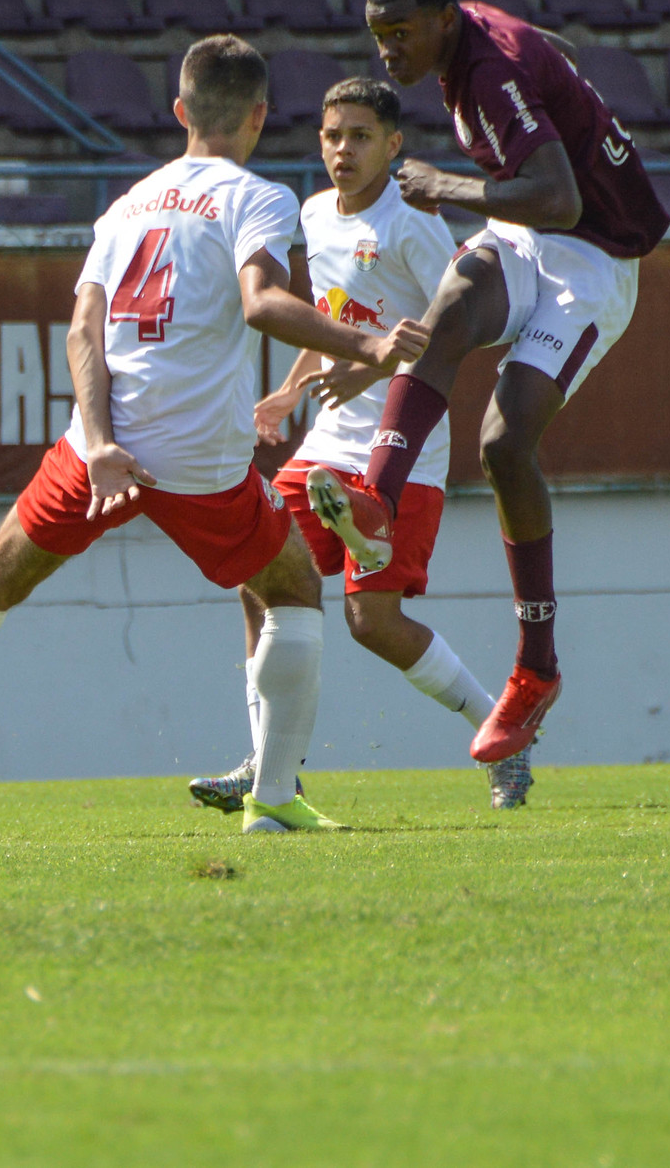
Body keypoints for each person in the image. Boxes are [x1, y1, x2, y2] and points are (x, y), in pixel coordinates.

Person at [0, 36, 430, 834]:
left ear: (180, 112)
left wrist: (98, 444)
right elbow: (263, 303)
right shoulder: (257, 196)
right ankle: (271, 801)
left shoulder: (126, 205)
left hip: (101, 449)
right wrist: (372, 347)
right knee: (295, 592)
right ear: (261, 117)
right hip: (199, 460)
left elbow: (82, 334)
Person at [303, 0, 670, 768]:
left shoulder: (489, 66)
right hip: (530, 236)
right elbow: (546, 66)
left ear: (441, 20)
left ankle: (535, 670)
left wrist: (448, 185)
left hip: (593, 258)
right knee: (446, 314)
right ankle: (376, 503)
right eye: (377, 37)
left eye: (400, 34)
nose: (388, 52)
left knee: (504, 445)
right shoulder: (474, 39)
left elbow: (562, 199)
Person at [187, 78, 534, 815]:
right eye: (332, 134)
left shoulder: (412, 226)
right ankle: (270, 766)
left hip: (398, 449)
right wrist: (292, 387)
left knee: (369, 623)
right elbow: (329, 316)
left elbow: (445, 337)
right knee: (259, 578)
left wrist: (365, 366)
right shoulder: (314, 213)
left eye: (361, 136)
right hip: (326, 442)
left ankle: (505, 731)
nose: (344, 149)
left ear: (393, 145)